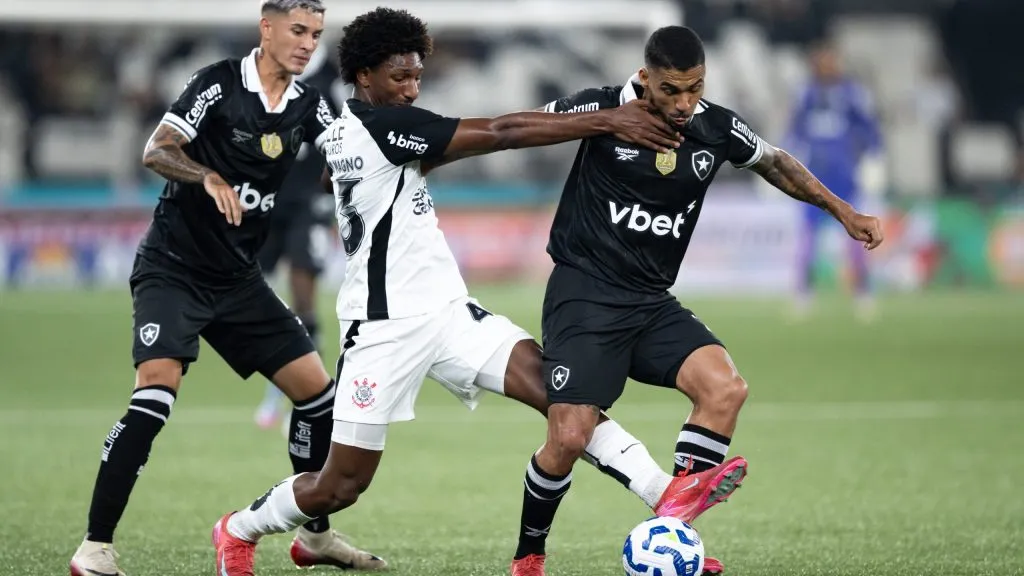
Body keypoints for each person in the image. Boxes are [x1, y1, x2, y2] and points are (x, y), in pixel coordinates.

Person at [210, 8, 708, 576]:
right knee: (340, 485)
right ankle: (237, 529)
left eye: (418, 75)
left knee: (562, 396)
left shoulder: (354, 127)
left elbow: (358, 169)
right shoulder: (384, 127)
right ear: (364, 75)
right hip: (382, 328)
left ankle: (667, 497)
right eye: (400, 77)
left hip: (448, 313)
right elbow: (500, 133)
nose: (412, 87)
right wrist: (607, 120)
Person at [508, 26, 885, 576]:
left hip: (650, 302)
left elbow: (776, 162)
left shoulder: (714, 126)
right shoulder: (603, 107)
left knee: (724, 387)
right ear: (645, 79)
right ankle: (529, 557)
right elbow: (520, 128)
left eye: (694, 88)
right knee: (569, 436)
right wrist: (604, 121)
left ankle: (671, 535)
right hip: (585, 296)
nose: (684, 103)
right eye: (670, 91)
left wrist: (843, 211)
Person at [69, 2, 386, 575]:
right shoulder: (216, 84)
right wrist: (207, 174)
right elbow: (157, 149)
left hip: (238, 281)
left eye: (315, 34)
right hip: (174, 268)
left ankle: (313, 538)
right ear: (266, 29)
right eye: (297, 30)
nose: (307, 43)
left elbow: (349, 157)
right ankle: (95, 547)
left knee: (319, 398)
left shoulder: (309, 105)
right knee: (154, 395)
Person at [254, 45, 342, 431]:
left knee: (302, 288)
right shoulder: (264, 72)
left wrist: (339, 200)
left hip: (310, 200)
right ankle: (289, 378)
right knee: (253, 289)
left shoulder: (331, 80)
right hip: (267, 198)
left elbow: (343, 142)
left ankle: (305, 393)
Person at [785, 40, 886, 321]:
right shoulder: (806, 93)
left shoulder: (852, 94)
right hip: (813, 178)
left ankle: (863, 292)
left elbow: (869, 127)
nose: (827, 66)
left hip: (845, 175)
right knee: (807, 239)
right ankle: (803, 293)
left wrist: (874, 158)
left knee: (856, 237)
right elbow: (794, 130)